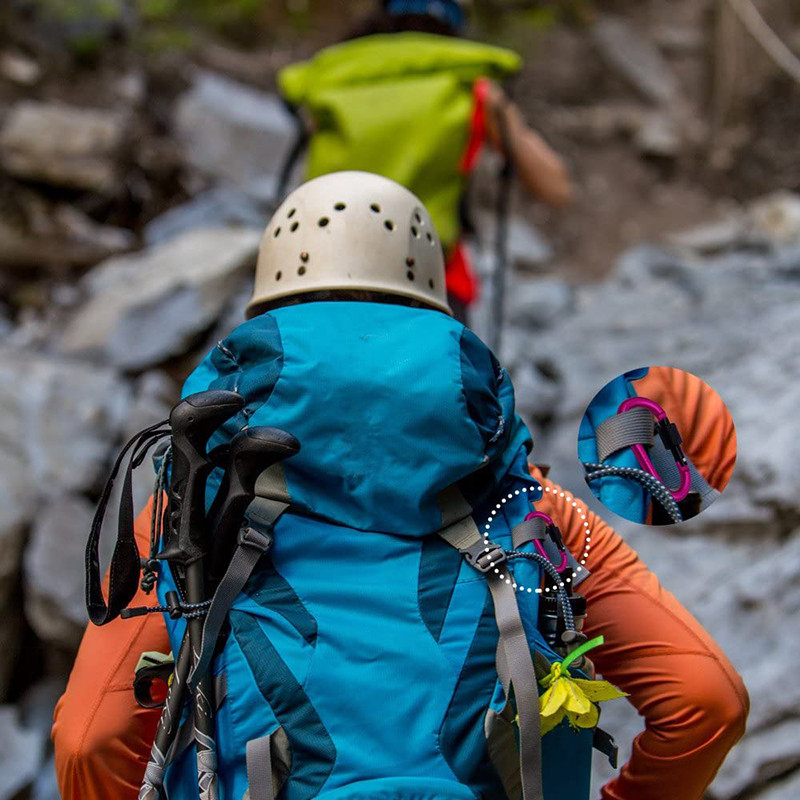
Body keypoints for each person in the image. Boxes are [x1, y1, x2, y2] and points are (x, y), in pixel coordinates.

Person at [53, 171, 747, 800]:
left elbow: (92, 739)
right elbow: (706, 702)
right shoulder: (531, 503)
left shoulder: (192, 502)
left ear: (269, 299)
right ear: (433, 299)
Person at [276, 0, 571, 320]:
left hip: (319, 283)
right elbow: (555, 188)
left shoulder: (328, 83)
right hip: (431, 289)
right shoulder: (470, 87)